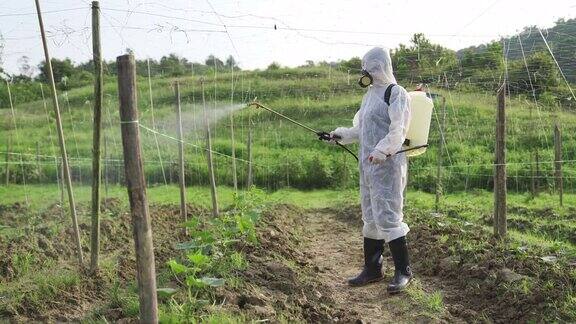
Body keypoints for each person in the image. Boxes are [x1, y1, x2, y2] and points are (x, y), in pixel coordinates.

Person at [329, 47, 413, 293]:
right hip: (367, 166)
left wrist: (382, 151)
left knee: (388, 215)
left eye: (373, 68)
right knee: (370, 215)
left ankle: (403, 271)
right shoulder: (369, 96)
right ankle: (373, 268)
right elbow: (361, 130)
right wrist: (339, 135)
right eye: (367, 69)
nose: (369, 73)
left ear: (383, 67)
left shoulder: (396, 93)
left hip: (387, 166)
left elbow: (399, 130)